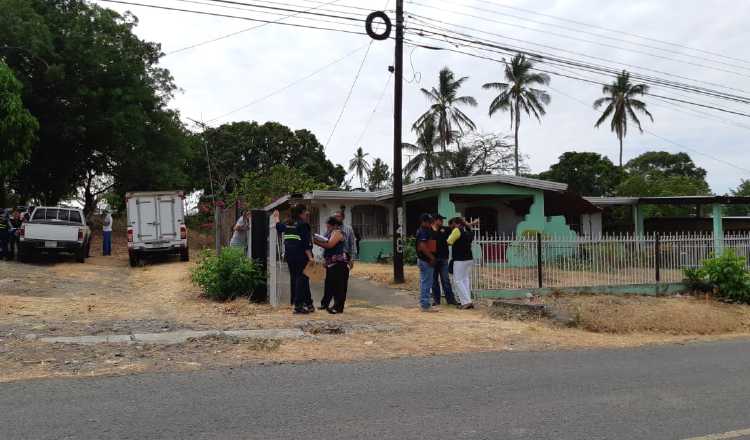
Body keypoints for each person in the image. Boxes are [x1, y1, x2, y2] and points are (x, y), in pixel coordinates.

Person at [274, 205, 314, 314]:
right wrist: (310, 257)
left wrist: (276, 217)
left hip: (290, 256)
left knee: (296, 278)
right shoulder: (303, 225)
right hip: (301, 256)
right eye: (306, 211)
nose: (307, 213)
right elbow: (306, 243)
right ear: (301, 213)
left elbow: (278, 227)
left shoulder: (288, 223)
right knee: (302, 279)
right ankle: (299, 305)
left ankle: (307, 303)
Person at [314, 217, 350, 314]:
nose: (327, 227)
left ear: (334, 225)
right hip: (331, 263)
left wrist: (316, 242)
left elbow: (330, 245)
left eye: (328, 225)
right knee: (330, 285)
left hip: (339, 263)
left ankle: (338, 307)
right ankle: (326, 304)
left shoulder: (337, 233)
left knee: (339, 287)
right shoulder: (330, 233)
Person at [447, 217, 475, 309]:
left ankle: (466, 302)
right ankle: (468, 301)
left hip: (459, 260)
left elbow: (449, 241)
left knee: (458, 280)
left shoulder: (457, 230)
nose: (453, 226)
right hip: (469, 259)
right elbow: (471, 237)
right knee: (465, 280)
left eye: (454, 224)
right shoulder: (469, 231)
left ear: (458, 224)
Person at [431, 214, 458, 306]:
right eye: (440, 220)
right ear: (435, 220)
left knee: (445, 280)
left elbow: (454, 229)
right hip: (433, 259)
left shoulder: (445, 229)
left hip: (443, 258)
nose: (442, 221)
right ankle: (436, 300)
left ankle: (450, 300)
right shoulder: (430, 230)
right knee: (434, 281)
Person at [415, 213, 438, 312]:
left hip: (425, 259)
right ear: (424, 222)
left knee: (426, 282)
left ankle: (424, 303)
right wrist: (431, 257)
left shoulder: (424, 230)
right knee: (426, 283)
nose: (431, 224)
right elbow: (423, 246)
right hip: (426, 260)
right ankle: (425, 305)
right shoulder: (423, 231)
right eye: (429, 222)